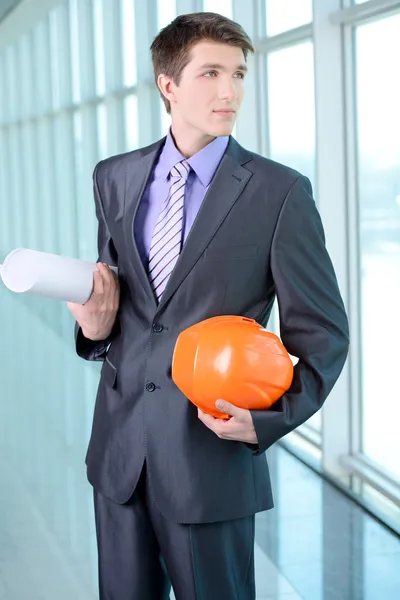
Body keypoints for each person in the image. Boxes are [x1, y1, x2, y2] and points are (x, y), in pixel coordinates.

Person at [67, 12, 349, 600]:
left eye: (239, 74)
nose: (230, 91)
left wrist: (268, 420)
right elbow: (123, 306)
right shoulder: (114, 178)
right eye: (211, 73)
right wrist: (95, 331)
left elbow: (322, 332)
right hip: (120, 454)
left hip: (208, 456)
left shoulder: (279, 193)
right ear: (168, 85)